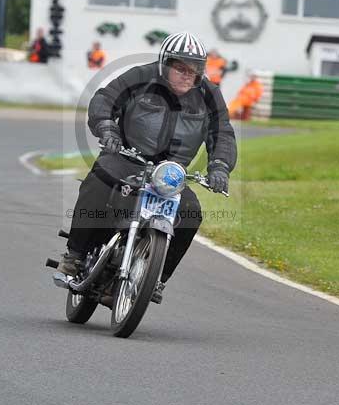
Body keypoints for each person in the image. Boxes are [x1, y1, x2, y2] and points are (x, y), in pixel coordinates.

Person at [58, 31, 237, 303]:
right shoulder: (139, 77)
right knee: (99, 181)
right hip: (127, 156)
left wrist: (220, 166)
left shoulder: (209, 95)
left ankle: (155, 278)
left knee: (190, 213)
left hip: (170, 172)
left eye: (194, 70)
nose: (187, 75)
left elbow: (222, 133)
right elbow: (104, 99)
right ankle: (75, 255)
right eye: (180, 68)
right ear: (165, 64)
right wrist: (107, 128)